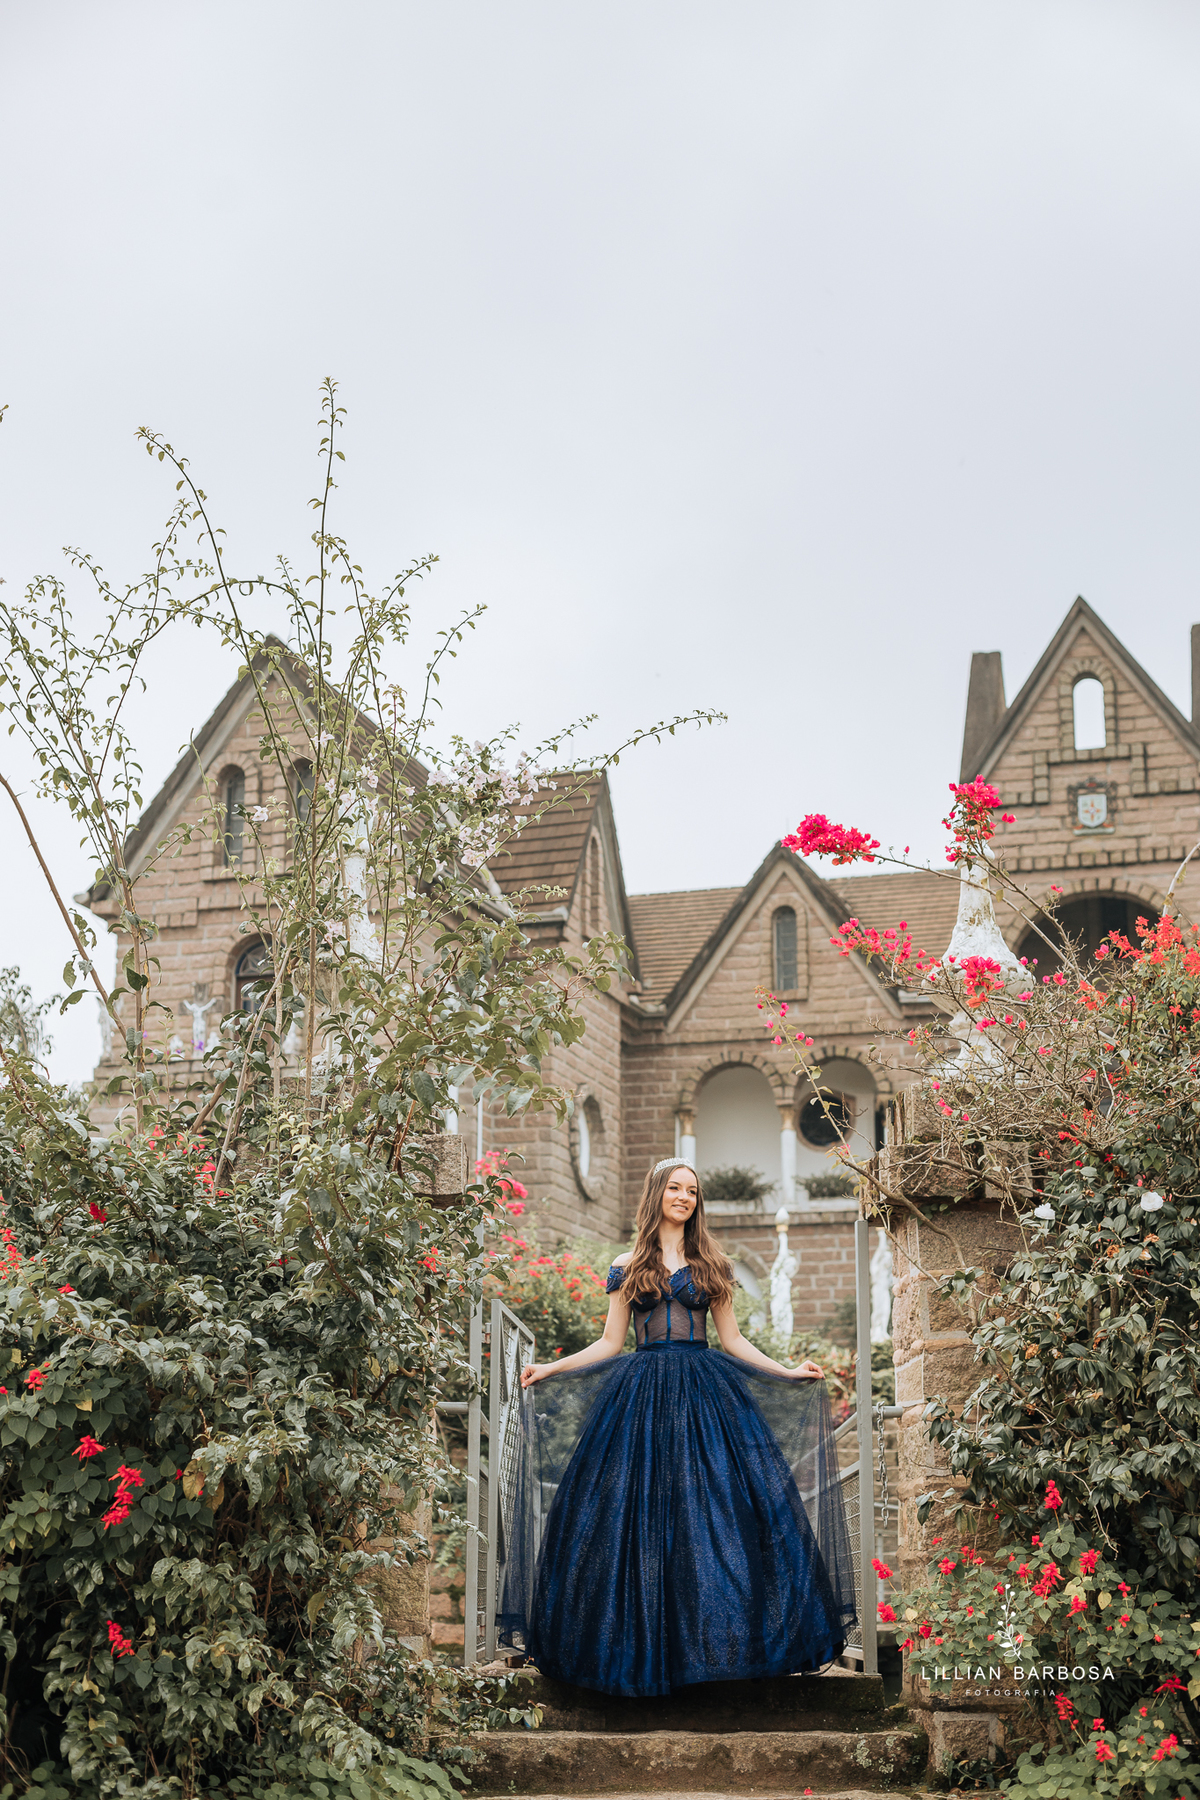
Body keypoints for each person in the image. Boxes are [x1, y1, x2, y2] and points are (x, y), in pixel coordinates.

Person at [496, 1159, 858, 1696]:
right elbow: (610, 1343)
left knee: (716, 1516)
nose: (684, 1196)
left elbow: (732, 1340)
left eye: (692, 1190)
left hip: (704, 1397)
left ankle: (716, 1650)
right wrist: (549, 1368)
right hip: (639, 1399)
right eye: (675, 1187)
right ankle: (634, 1654)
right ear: (656, 1194)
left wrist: (786, 1371)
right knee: (628, 1517)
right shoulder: (627, 1264)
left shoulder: (712, 1264)